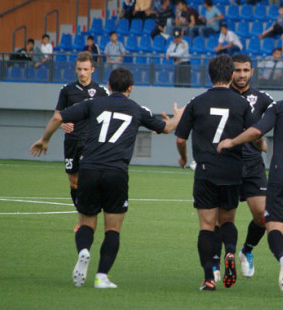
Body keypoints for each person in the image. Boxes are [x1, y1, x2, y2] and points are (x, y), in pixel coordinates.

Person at [30, 67, 184, 289]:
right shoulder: (137, 110)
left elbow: (58, 116)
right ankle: (102, 276)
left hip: (89, 168)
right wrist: (178, 116)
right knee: (112, 228)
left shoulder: (94, 103)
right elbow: (168, 128)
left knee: (86, 222)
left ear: (109, 86)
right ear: (131, 88)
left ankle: (83, 251)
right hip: (116, 172)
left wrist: (45, 139)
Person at [217, 69, 283, 296]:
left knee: (274, 227)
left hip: (282, 177)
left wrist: (232, 141)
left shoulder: (279, 108)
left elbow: (256, 131)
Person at [175, 55, 257, 291]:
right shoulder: (242, 104)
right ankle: (230, 252)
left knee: (207, 226)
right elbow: (254, 131)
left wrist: (183, 157)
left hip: (205, 170)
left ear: (209, 76)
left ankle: (209, 277)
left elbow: (181, 137)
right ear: (232, 75)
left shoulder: (197, 102)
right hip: (232, 169)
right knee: (228, 220)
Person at [222, 54, 274, 281]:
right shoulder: (221, 95)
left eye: (245, 70)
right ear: (230, 72)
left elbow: (281, 117)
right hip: (226, 164)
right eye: (237, 70)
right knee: (222, 220)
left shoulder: (263, 99)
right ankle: (221, 262)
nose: (241, 75)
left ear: (252, 72)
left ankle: (247, 250)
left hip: (253, 166)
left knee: (263, 218)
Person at [50, 52, 110, 232]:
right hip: (72, 142)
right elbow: (57, 115)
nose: (82, 73)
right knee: (74, 182)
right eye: (79, 69)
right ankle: (82, 217)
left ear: (92, 70)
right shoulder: (66, 90)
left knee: (89, 180)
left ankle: (87, 219)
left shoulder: (101, 92)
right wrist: (62, 123)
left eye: (85, 69)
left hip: (91, 142)